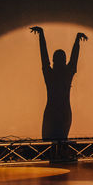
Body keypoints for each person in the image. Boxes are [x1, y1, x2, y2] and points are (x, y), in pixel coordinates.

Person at [30, 26, 87, 161]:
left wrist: (41, 35)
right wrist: (77, 40)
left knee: (49, 144)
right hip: (64, 112)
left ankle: (53, 163)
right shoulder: (67, 73)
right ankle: (61, 162)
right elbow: (74, 59)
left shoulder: (49, 74)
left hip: (52, 111)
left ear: (54, 61)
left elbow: (44, 57)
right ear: (64, 61)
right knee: (61, 142)